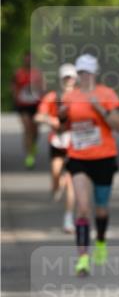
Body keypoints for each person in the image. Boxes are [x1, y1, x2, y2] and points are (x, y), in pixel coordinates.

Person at [41, 54, 119, 275]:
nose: (84, 76)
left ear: (95, 73)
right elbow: (61, 129)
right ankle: (83, 258)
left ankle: (101, 241)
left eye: (87, 72)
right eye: (81, 73)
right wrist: (62, 117)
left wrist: (100, 109)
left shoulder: (107, 94)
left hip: (104, 158)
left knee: (101, 209)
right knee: (83, 208)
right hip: (78, 158)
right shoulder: (70, 97)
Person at [35, 63, 77, 233]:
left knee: (71, 182)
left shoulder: (81, 97)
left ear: (75, 79)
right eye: (66, 77)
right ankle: (56, 186)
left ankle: (68, 219)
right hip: (58, 141)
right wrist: (50, 120)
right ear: (61, 79)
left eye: (71, 77)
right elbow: (38, 116)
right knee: (55, 172)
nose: (68, 80)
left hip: (75, 143)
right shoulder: (52, 97)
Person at [11, 51, 45, 168]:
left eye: (30, 59)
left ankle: (32, 145)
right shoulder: (18, 73)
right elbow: (13, 86)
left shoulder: (38, 73)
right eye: (26, 59)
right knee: (27, 129)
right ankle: (29, 155)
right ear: (24, 60)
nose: (28, 61)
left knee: (35, 130)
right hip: (23, 105)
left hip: (35, 105)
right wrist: (15, 98)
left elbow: (43, 88)